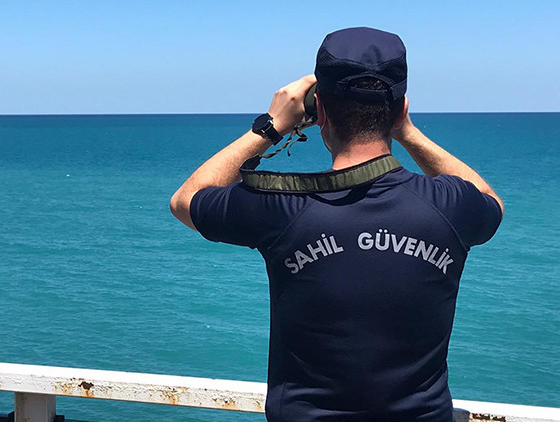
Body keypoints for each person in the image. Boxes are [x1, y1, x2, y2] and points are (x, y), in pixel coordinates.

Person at [170, 27, 503, 421]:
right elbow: (490, 200)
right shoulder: (449, 206)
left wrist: (270, 126)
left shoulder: (280, 206)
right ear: (400, 109)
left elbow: (185, 200)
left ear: (320, 111)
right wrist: (408, 133)